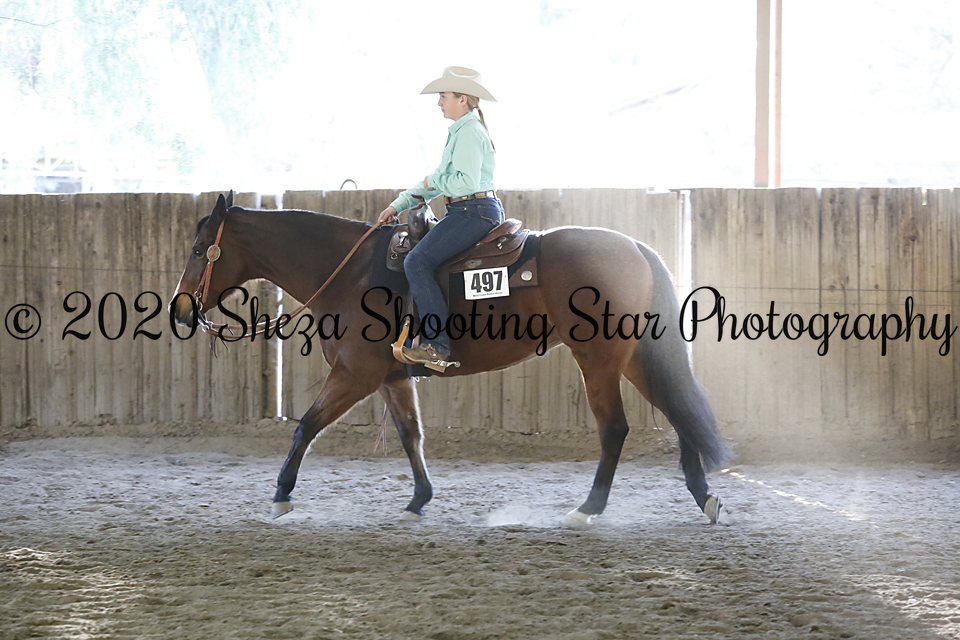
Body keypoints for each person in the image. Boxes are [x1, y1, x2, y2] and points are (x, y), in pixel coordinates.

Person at [378, 66, 504, 370]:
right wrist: (399, 204)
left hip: (472, 212)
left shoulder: (469, 133)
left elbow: (464, 183)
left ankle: (436, 346)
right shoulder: (462, 131)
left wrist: (433, 181)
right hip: (470, 209)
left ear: (462, 99)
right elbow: (441, 181)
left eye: (443, 96)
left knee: (416, 261)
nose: (439, 102)